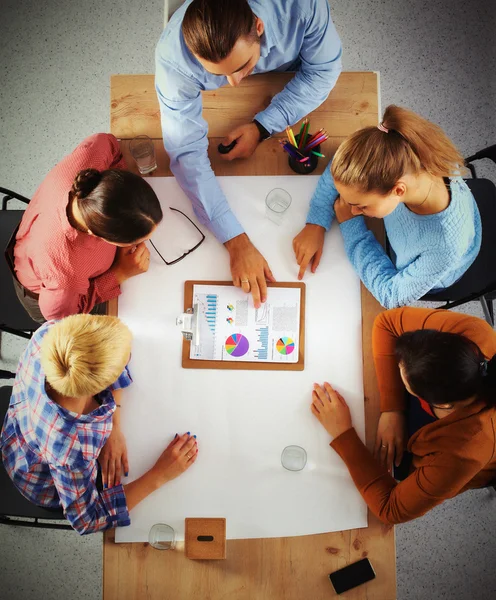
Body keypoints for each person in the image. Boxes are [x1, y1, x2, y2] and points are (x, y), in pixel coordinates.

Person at [156, 0, 342, 307]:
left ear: (259, 26)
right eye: (219, 74)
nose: (234, 83)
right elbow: (186, 150)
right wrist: (235, 241)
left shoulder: (301, 6)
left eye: (241, 66)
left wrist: (264, 125)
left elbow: (322, 72)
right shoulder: (172, 57)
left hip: (289, 69)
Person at [0, 314, 198, 535]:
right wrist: (159, 475)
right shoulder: (72, 449)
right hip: (39, 480)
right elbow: (86, 520)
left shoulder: (50, 333)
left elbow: (100, 357)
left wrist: (114, 424)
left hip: (20, 431)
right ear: (98, 388)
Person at [310, 307, 496, 525]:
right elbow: (386, 323)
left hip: (446, 458)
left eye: (405, 381)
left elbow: (391, 510)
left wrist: (343, 432)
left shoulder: (463, 452)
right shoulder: (472, 333)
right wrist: (392, 409)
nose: (397, 365)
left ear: (441, 403)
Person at [293, 106, 481, 309]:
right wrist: (317, 221)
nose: (353, 209)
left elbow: (391, 296)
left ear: (398, 191)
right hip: (409, 241)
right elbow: (342, 170)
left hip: (433, 268)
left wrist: (352, 225)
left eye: (361, 206)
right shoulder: (397, 151)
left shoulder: (445, 245)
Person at [8, 133, 163, 323]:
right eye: (135, 240)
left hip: (37, 233)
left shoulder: (92, 160)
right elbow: (61, 319)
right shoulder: (65, 276)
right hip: (50, 298)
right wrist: (120, 272)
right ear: (98, 236)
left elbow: (108, 142)